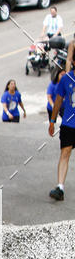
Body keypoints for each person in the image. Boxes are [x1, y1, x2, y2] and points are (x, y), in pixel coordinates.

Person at [48, 66, 75, 200]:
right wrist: (52, 121)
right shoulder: (66, 79)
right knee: (65, 153)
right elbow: (58, 100)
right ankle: (60, 188)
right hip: (69, 124)